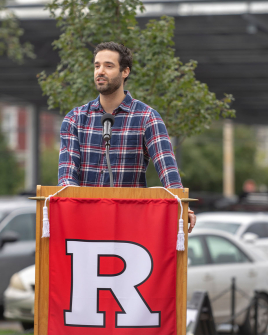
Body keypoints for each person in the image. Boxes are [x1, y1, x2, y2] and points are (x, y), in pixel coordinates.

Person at [58, 41, 196, 232]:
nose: (100, 71)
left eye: (108, 66)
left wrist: (181, 205)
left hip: (131, 226)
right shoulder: (75, 119)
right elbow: (67, 176)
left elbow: (168, 169)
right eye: (97, 66)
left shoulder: (147, 117)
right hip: (85, 225)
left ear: (125, 72)